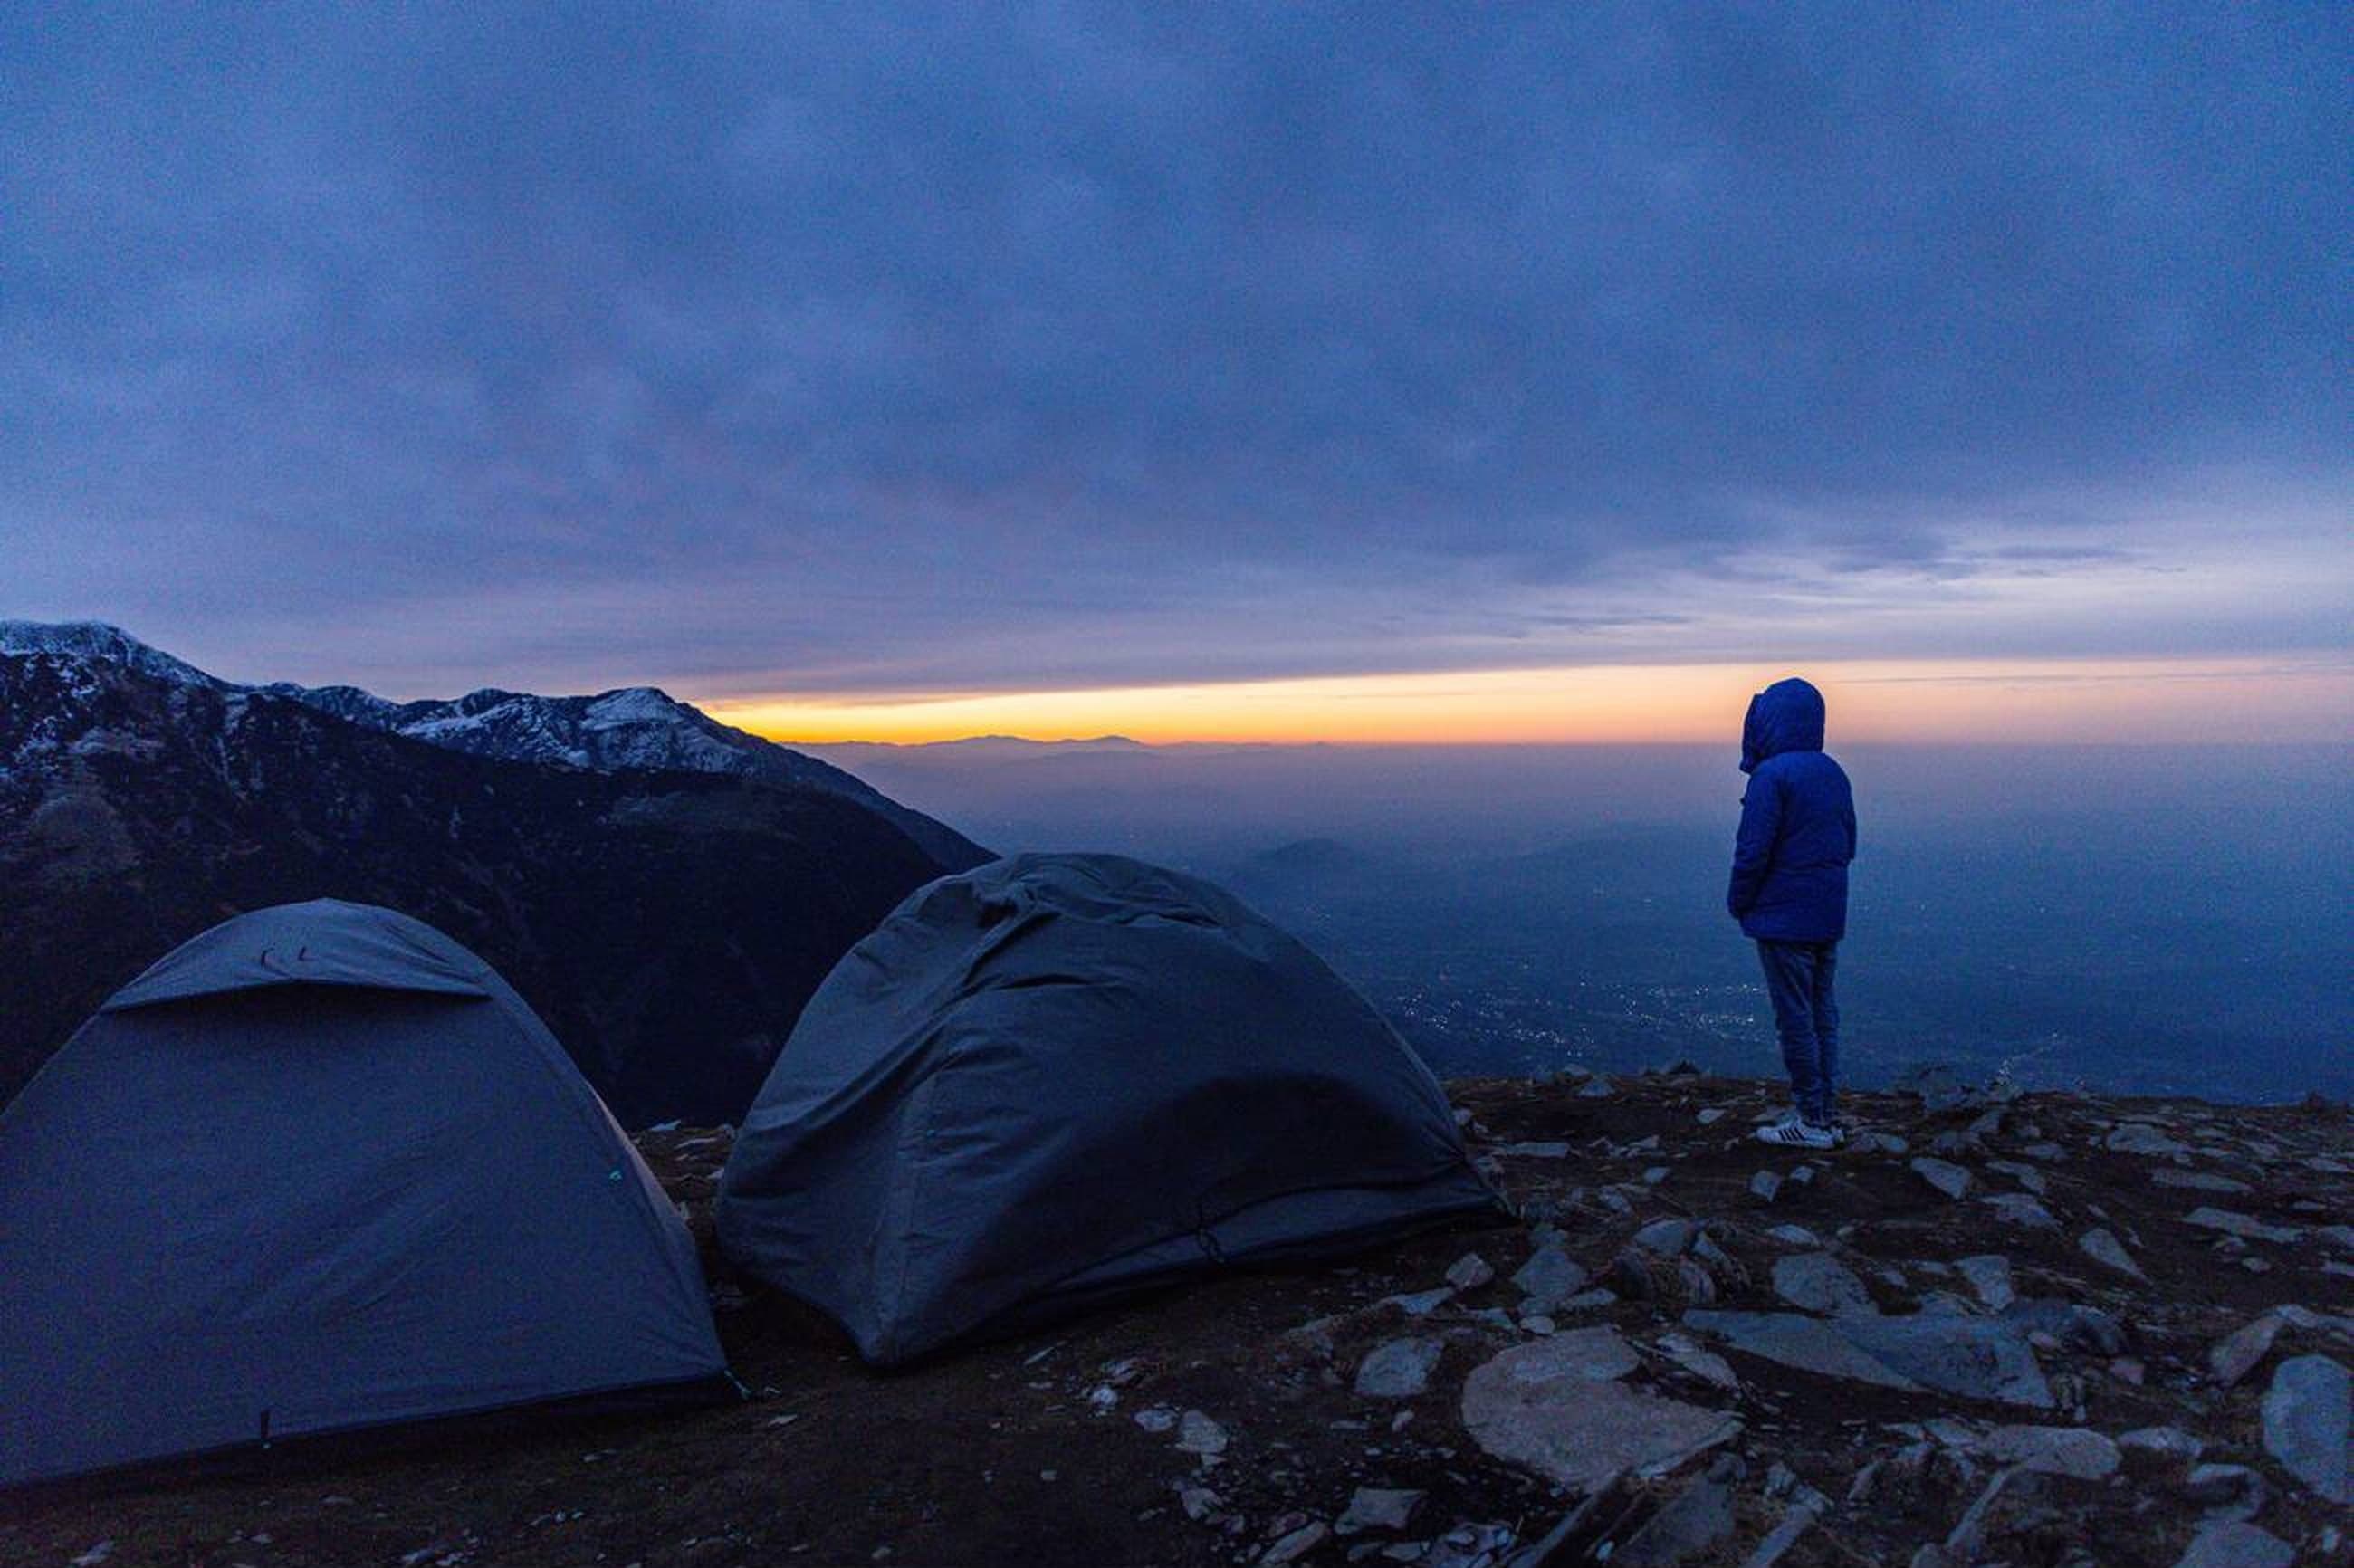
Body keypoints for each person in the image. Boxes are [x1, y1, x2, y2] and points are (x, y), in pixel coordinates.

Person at [1727, 677, 1857, 1150]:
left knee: (1795, 1017)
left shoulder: (1771, 777)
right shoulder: (1832, 772)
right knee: (1822, 1014)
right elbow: (1849, 841)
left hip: (1784, 919)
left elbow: (1752, 851)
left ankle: (1810, 1121)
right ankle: (1824, 1112)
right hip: (1826, 914)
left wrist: (1739, 900)